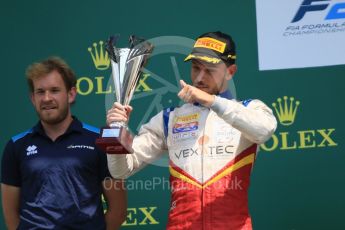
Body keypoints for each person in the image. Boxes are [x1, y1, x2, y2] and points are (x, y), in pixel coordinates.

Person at [106, 31, 277, 229]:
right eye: (196, 68)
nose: (200, 77)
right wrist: (116, 132)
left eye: (210, 70)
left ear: (231, 71)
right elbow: (121, 171)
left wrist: (212, 101)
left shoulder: (249, 109)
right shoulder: (169, 118)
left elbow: (264, 131)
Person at [1, 57, 127, 230]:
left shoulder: (100, 140)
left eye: (54, 90)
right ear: (32, 98)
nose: (47, 98)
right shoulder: (16, 146)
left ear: (71, 94)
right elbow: (11, 217)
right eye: (40, 91)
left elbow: (118, 211)